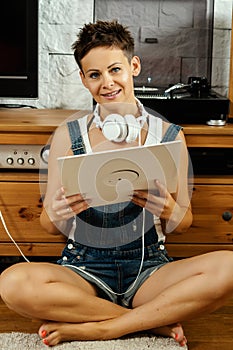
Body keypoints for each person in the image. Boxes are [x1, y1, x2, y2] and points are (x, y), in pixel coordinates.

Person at [1, 20, 233, 348]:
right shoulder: (69, 137)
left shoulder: (170, 136)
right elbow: (48, 227)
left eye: (114, 70)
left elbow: (183, 223)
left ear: (133, 66)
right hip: (83, 269)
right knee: (12, 283)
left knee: (230, 268)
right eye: (94, 75)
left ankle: (101, 327)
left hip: (148, 268)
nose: (106, 83)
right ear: (83, 79)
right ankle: (150, 321)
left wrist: (168, 208)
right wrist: (56, 211)